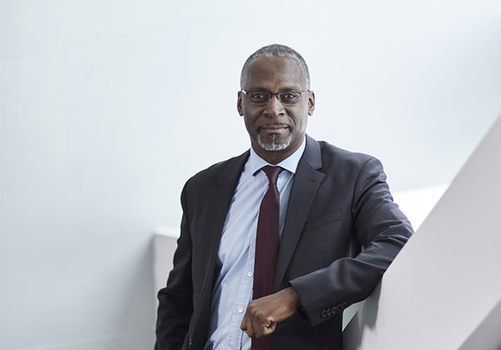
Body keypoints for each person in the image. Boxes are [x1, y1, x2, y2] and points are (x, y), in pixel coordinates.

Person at [155, 44, 413, 350]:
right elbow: (179, 298)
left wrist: (296, 296)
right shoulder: (203, 188)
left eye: (288, 96)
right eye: (259, 96)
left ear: (310, 102)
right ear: (241, 103)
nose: (273, 109)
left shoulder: (353, 175)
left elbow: (397, 242)